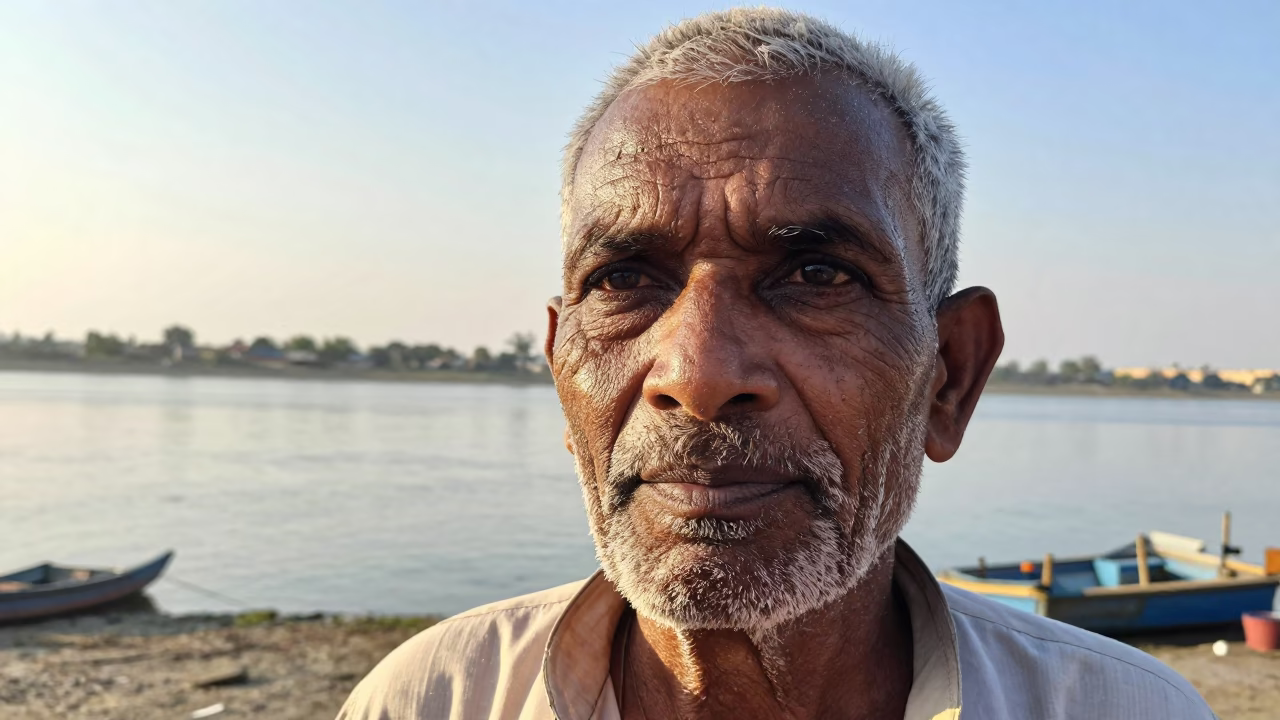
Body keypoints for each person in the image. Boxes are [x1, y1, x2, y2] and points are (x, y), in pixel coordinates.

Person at [339, 8, 1215, 719]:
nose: (698, 372)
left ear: (948, 376)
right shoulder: (430, 700)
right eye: (624, 279)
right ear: (561, 371)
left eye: (815, 275)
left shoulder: (1129, 709)